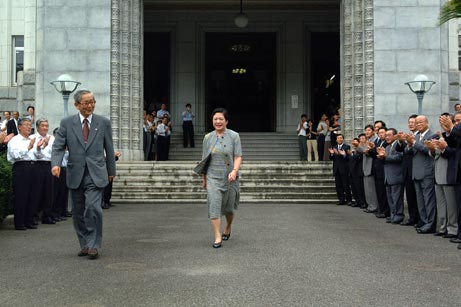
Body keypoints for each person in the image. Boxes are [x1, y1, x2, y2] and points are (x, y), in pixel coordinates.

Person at [51, 89, 116, 260]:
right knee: (78, 212)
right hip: (75, 172)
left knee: (94, 208)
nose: (90, 105)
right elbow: (58, 146)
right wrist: (56, 164)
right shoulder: (67, 123)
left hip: (96, 173)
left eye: (93, 101)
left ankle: (94, 245)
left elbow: (109, 148)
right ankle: (85, 244)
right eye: (86, 103)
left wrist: (112, 170)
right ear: (77, 105)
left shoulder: (103, 122)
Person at [195, 108, 242, 248]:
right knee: (214, 206)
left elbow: (238, 156)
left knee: (229, 209)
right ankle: (217, 236)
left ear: (226, 121)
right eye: (215, 119)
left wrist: (234, 171)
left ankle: (228, 227)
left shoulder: (234, 136)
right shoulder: (208, 138)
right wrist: (204, 179)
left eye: (221, 119)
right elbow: (204, 159)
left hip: (230, 178)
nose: (218, 121)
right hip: (212, 177)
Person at [6, 118, 41, 230]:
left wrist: (39, 148)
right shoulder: (15, 140)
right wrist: (28, 147)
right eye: (26, 125)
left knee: (33, 194)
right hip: (21, 168)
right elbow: (15, 155)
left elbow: (37, 156)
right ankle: (20, 222)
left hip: (33, 167)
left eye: (30, 125)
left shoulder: (32, 139)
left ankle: (29, 220)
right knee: (21, 195)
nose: (29, 127)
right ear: (19, 127)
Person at [405, 115, 437, 234]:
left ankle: (430, 223)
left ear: (427, 123)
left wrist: (414, 143)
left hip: (427, 172)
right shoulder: (416, 136)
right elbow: (408, 152)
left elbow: (426, 150)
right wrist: (409, 144)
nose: (418, 124)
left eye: (420, 122)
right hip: (416, 172)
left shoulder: (433, 135)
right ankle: (423, 221)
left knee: (428, 199)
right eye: (416, 123)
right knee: (420, 200)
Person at [440, 111, 461, 247]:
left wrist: (452, 129)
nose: (457, 123)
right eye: (456, 121)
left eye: (459, 121)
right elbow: (453, 145)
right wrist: (448, 132)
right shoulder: (456, 132)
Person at [378, 128, 404, 224]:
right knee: (390, 198)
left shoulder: (398, 145)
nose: (387, 137)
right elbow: (386, 160)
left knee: (397, 198)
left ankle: (399, 215)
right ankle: (393, 214)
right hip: (388, 176)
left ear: (395, 136)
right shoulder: (387, 147)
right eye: (386, 135)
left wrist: (385, 157)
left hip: (396, 176)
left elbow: (399, 157)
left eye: (389, 135)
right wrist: (381, 156)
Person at [329, 134, 352, 205]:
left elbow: (347, 158)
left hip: (344, 169)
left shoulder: (346, 147)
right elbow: (331, 158)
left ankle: (349, 200)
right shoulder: (334, 147)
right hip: (336, 169)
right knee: (338, 186)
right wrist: (332, 154)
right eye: (338, 138)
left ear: (343, 139)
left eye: (341, 138)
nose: (339, 139)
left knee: (346, 185)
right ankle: (341, 200)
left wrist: (341, 154)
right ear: (336, 140)